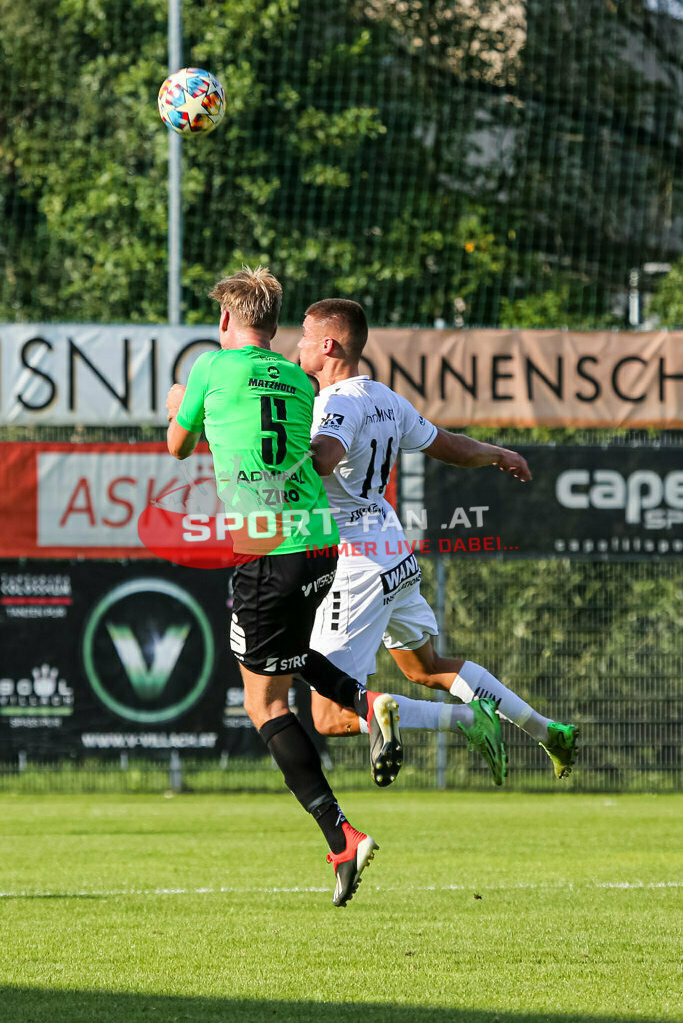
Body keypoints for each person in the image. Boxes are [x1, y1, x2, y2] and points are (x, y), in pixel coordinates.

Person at [165, 267, 405, 907]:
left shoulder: (211, 370)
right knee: (292, 664)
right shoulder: (301, 378)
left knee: (263, 703)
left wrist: (177, 405)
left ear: (224, 322)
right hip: (322, 544)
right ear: (274, 327)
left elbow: (177, 446)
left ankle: (341, 835)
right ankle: (364, 698)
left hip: (268, 549)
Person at [296, 298, 579, 781]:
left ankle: (466, 719)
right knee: (426, 667)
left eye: (303, 336)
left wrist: (273, 436)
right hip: (392, 549)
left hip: (354, 562)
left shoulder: (336, 402)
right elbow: (447, 445)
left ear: (328, 345)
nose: (297, 345)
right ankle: (546, 729)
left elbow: (324, 458)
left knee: (329, 714)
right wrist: (497, 454)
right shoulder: (385, 398)